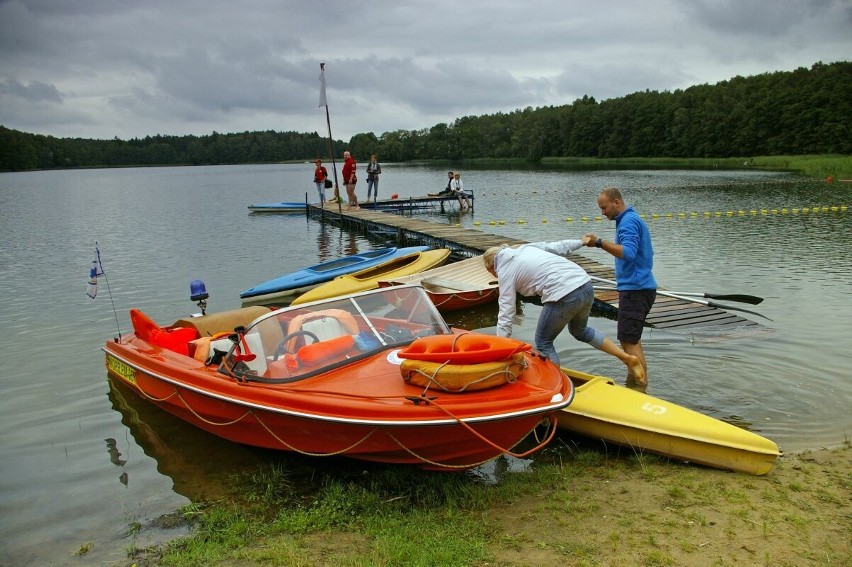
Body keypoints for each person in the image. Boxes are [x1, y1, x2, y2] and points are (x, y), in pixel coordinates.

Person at [482, 240, 645, 382]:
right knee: (580, 331)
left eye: (491, 273)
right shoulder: (526, 249)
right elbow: (557, 246)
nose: (495, 277)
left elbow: (506, 311)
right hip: (585, 284)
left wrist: (500, 347)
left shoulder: (504, 270)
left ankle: (555, 387)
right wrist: (580, 242)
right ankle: (627, 358)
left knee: (543, 342)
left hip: (564, 293)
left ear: (492, 266)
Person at [583, 187, 657, 386]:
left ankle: (641, 389)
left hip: (636, 290)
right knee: (631, 341)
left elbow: (629, 253)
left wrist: (599, 242)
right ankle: (635, 383)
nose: (602, 212)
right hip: (639, 288)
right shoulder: (629, 219)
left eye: (604, 207)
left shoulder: (628, 222)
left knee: (629, 342)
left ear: (617, 202)